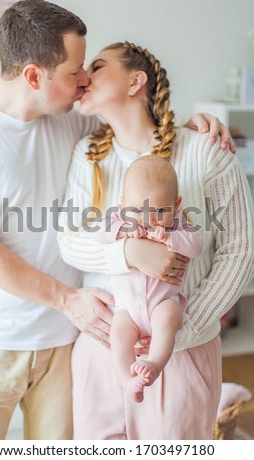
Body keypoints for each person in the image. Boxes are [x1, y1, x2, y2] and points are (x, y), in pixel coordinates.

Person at [0, 0, 236, 440]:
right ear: (33, 77)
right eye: (77, 70)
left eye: (91, 67)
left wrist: (202, 124)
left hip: (69, 339)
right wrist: (86, 284)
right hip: (0, 335)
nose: (84, 80)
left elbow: (145, 135)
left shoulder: (73, 122)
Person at [57, 41, 254, 439]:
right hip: (103, 347)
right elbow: (70, 241)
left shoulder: (206, 151)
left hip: (182, 350)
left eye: (96, 67)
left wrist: (181, 327)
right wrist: (129, 253)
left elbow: (239, 252)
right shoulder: (87, 155)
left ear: (136, 80)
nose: (83, 78)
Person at [93, 155, 202, 403]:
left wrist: (170, 239)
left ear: (176, 205)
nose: (148, 219)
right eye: (137, 211)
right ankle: (127, 380)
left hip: (163, 302)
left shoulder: (178, 225)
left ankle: (154, 363)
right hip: (127, 309)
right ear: (123, 205)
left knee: (166, 321)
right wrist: (123, 231)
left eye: (160, 211)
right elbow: (97, 231)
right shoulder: (119, 219)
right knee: (118, 336)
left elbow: (196, 245)